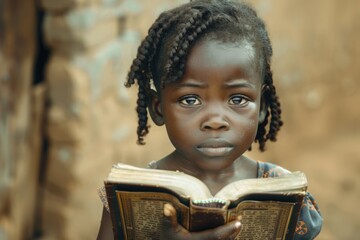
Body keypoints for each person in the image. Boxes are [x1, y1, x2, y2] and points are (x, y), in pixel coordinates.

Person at [97, 0, 323, 239]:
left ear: (263, 107)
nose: (215, 121)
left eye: (237, 99)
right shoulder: (127, 196)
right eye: (190, 100)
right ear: (158, 108)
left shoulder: (286, 192)